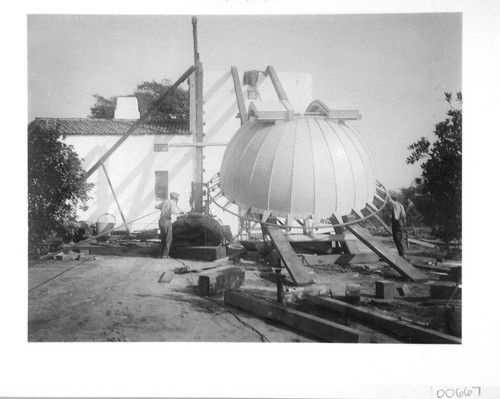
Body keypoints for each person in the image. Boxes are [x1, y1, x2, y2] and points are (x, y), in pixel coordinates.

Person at [155, 192, 183, 258]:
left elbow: (156, 206)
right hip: (167, 221)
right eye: (177, 197)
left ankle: (160, 254)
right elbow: (172, 212)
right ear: (175, 198)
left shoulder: (165, 201)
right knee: (168, 239)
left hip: (161, 221)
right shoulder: (172, 203)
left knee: (163, 238)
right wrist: (181, 212)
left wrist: (163, 209)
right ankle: (165, 255)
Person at [388, 195, 408, 259]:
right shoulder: (401, 205)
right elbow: (404, 215)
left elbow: (389, 200)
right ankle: (403, 254)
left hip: (397, 224)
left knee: (397, 239)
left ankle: (402, 254)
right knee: (401, 238)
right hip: (401, 223)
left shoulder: (396, 205)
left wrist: (386, 194)